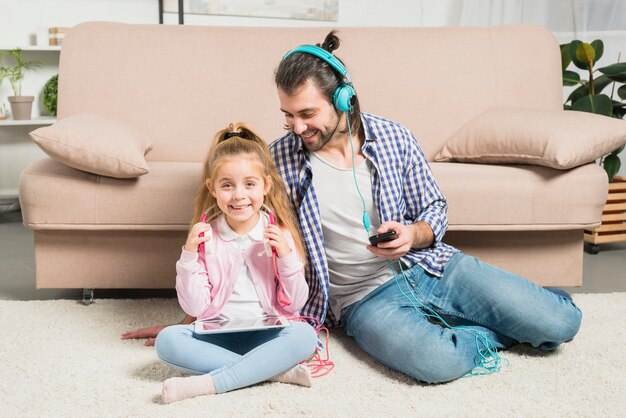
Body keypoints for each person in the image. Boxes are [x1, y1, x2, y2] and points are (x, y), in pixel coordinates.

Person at [268, 30, 582, 383]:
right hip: (362, 300)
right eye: (287, 115)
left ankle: (527, 309)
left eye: (307, 113)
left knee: (561, 323)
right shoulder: (278, 160)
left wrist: (411, 234)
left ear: (344, 98)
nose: (297, 126)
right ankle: (498, 328)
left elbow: (433, 207)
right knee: (437, 362)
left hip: (428, 267)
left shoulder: (394, 137)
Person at [153, 123, 317, 403]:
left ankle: (210, 383)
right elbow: (195, 308)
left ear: (266, 186)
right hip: (218, 334)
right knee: (167, 340)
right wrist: (189, 255)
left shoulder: (279, 234)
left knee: (305, 335)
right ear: (212, 189)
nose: (239, 195)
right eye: (227, 185)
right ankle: (272, 370)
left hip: (268, 333)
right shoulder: (207, 237)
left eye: (249, 184)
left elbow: (295, 305)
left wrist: (286, 257)